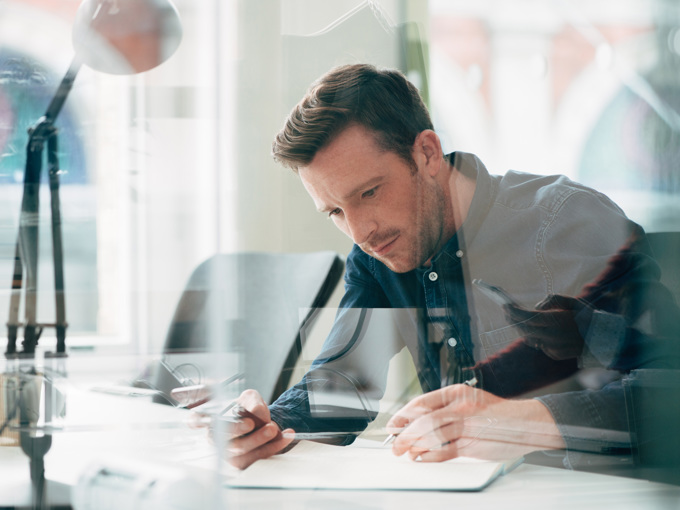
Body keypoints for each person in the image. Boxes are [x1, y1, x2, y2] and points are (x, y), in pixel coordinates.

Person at [224, 63, 679, 471]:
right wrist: (267, 426)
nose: (360, 231)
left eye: (369, 193)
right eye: (336, 212)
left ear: (426, 153)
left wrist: (526, 422)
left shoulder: (565, 220)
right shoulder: (378, 255)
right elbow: (347, 383)